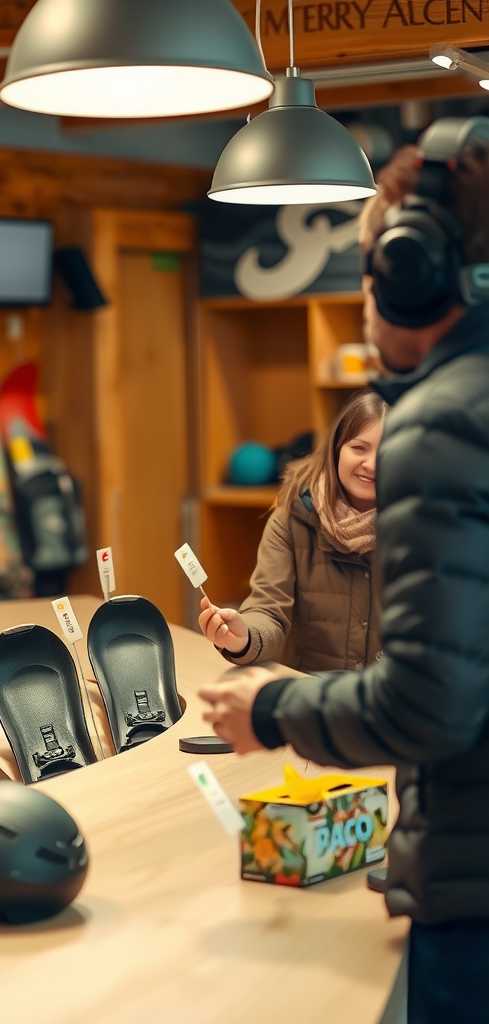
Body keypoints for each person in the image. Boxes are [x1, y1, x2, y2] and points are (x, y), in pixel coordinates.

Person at [198, 118, 489, 1022]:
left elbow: (430, 701)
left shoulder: (443, 426)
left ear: (410, 273)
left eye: (368, 273)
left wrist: (272, 710)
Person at [198, 388, 387, 673]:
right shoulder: (292, 517)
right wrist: (244, 638)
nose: (371, 464)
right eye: (359, 448)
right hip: (309, 698)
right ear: (337, 449)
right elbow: (268, 609)